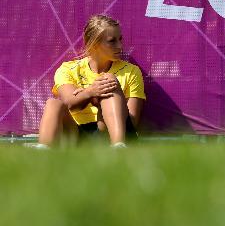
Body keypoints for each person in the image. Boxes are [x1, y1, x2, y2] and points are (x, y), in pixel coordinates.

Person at [34, 15, 145, 148]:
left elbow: (133, 121)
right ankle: (43, 151)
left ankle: (118, 146)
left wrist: (101, 105)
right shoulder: (67, 69)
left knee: (108, 79)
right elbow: (70, 103)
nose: (120, 46)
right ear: (94, 44)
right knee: (53, 103)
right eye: (112, 41)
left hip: (108, 132)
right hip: (75, 133)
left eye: (120, 39)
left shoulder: (131, 71)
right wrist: (90, 92)